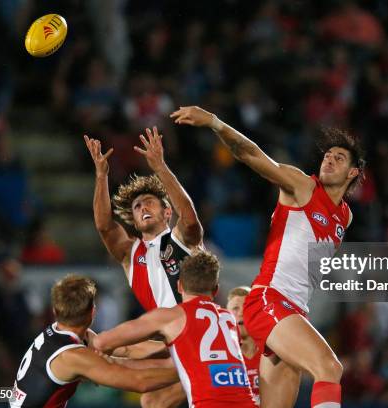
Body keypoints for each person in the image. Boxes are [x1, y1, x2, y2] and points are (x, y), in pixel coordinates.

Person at [171, 106, 365, 408]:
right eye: (327, 155)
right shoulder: (302, 186)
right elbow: (252, 156)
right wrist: (215, 122)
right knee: (329, 368)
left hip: (294, 311)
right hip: (269, 300)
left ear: (352, 173)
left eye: (339, 158)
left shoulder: (345, 217)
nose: (329, 159)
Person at [84, 126, 204, 407]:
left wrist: (160, 167)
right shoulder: (131, 253)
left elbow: (189, 215)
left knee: (129, 369)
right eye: (137, 206)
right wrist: (101, 176)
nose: (142, 207)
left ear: (166, 211)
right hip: (168, 337)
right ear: (134, 221)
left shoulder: (181, 237)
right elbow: (104, 226)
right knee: (150, 399)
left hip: (197, 329)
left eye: (149, 202)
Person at [93, 251, 257, 408]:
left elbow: (102, 342)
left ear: (179, 286)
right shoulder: (229, 319)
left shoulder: (171, 316)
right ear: (216, 290)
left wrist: (101, 357)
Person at [11, 274, 179, 408]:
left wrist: (177, 346)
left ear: (56, 311)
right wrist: (194, 369)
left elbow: (127, 350)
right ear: (93, 311)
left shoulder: (62, 331)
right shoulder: (72, 356)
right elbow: (139, 381)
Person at [227, 286, 261, 405]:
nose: (241, 312)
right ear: (227, 315)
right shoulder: (222, 357)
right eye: (235, 308)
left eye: (247, 307)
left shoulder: (273, 352)